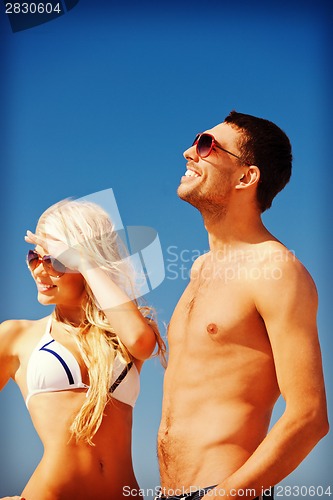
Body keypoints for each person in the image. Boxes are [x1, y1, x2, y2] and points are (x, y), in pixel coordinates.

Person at [157, 111, 329, 500]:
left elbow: (309, 417)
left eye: (206, 145)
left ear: (246, 177)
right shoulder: (199, 268)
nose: (189, 152)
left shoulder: (276, 269)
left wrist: (222, 497)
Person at [0, 199, 165, 500]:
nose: (39, 270)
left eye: (55, 260)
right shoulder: (15, 335)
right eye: (33, 257)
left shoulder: (123, 332)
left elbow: (141, 343)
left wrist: (86, 262)